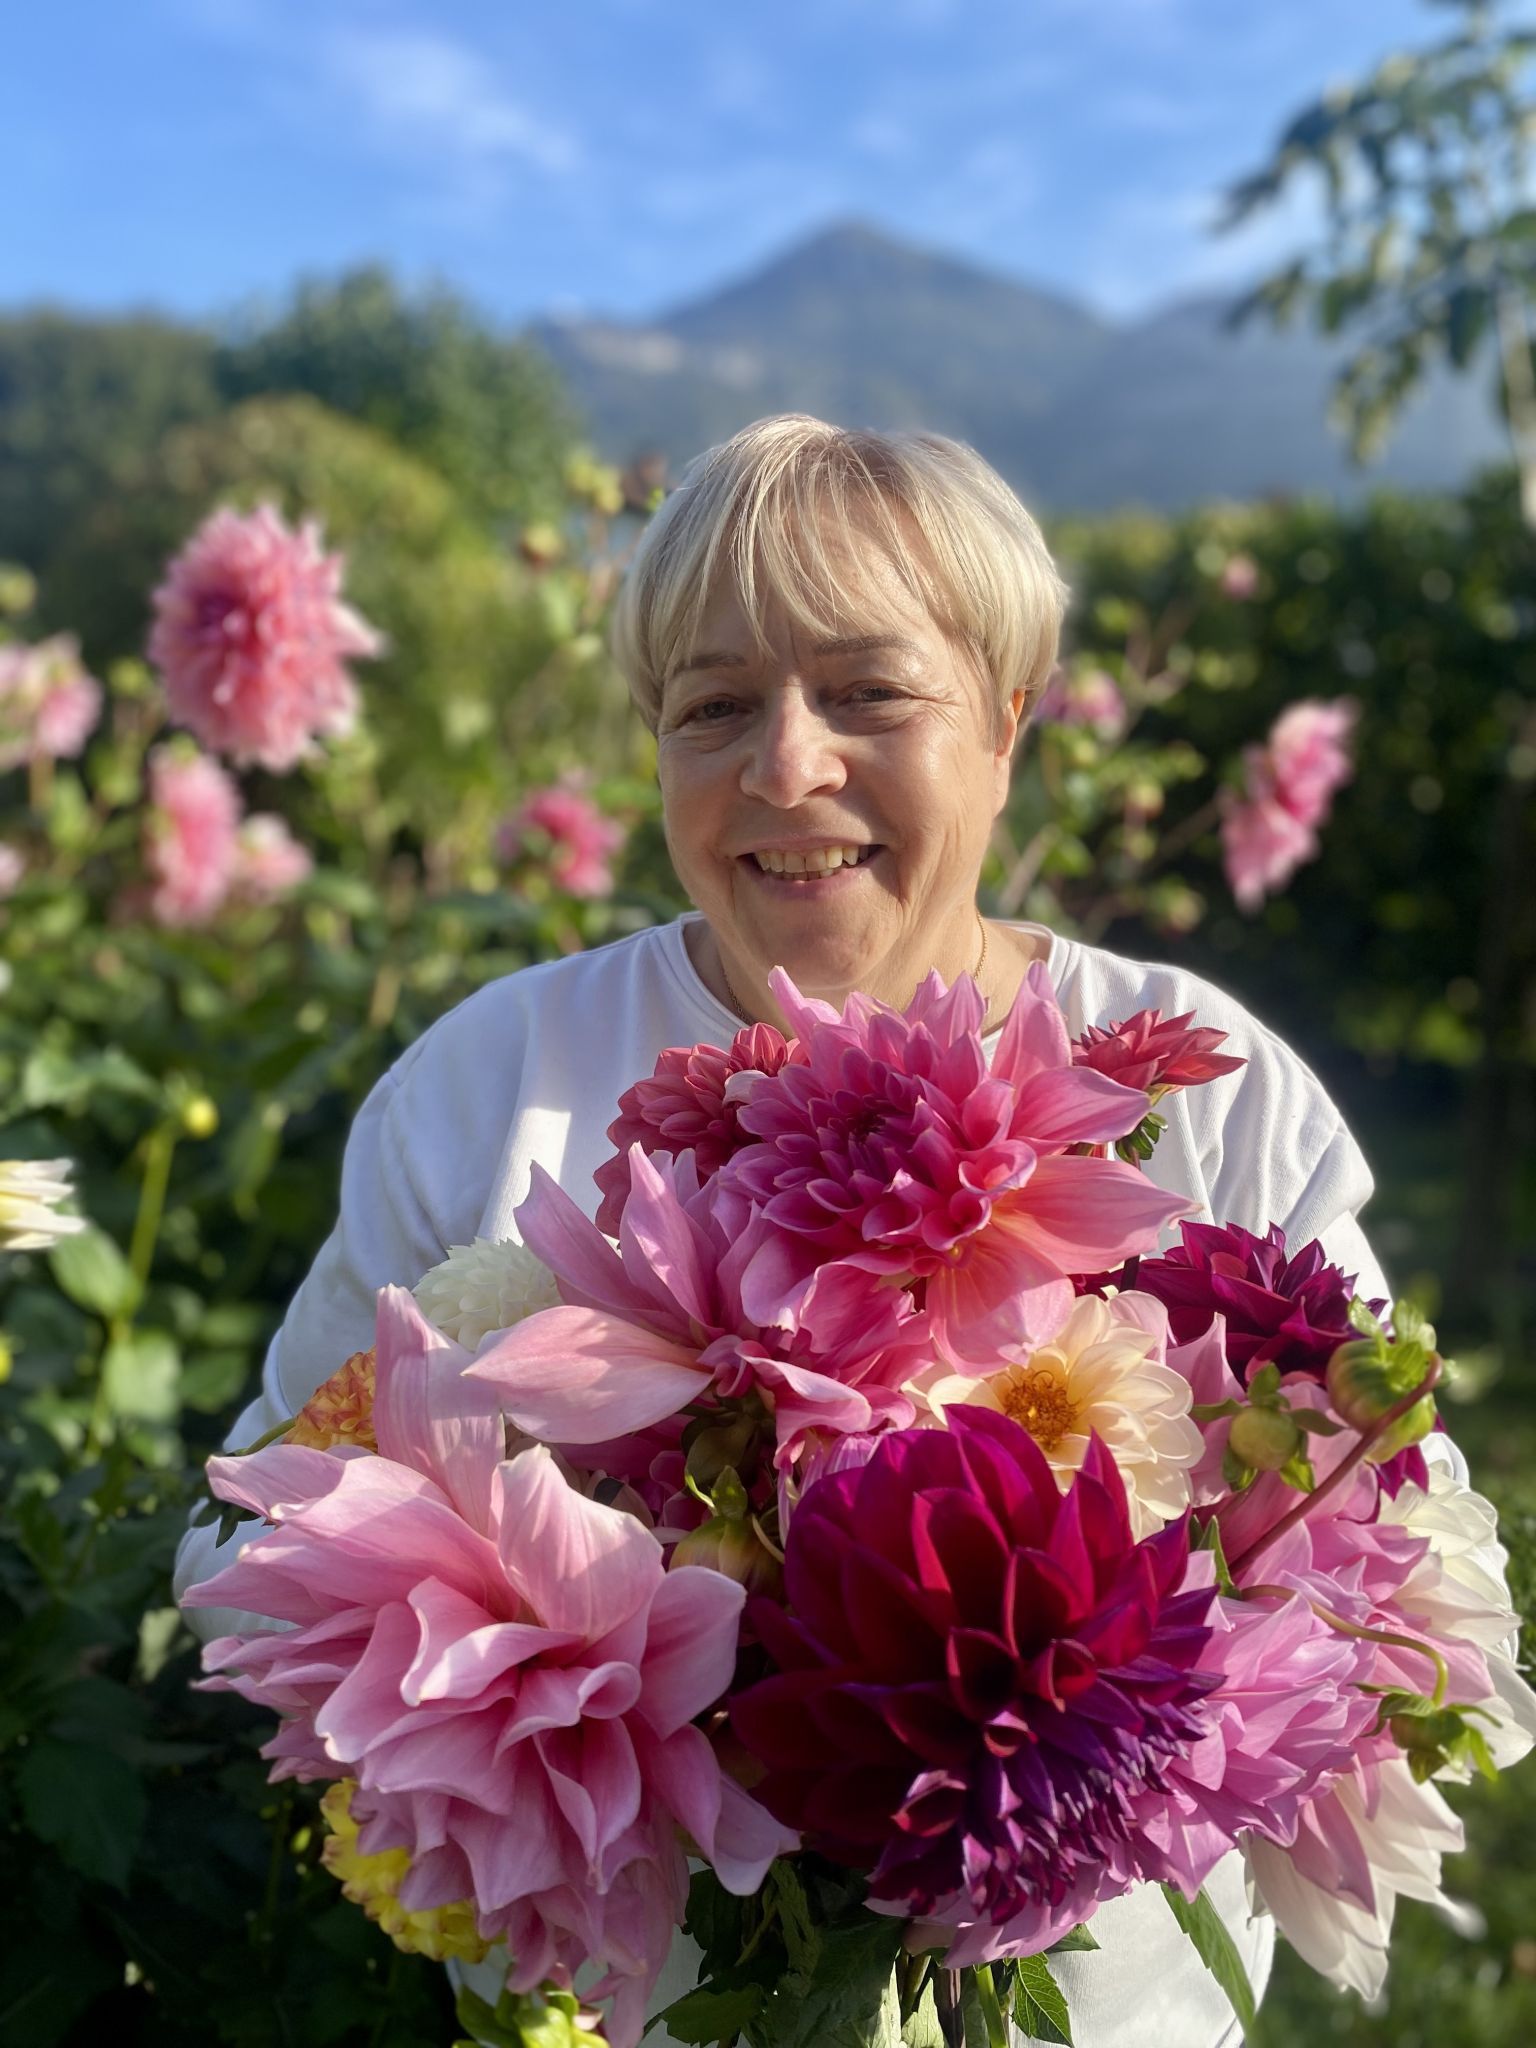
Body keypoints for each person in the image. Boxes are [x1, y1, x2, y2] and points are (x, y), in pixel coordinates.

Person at [175, 413, 1485, 2047]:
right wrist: (500, 1613)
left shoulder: (1214, 1100)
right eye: (714, 704)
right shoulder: (489, 1086)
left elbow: (1396, 1559)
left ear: (1007, 728)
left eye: (869, 691)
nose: (785, 767)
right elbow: (241, 1552)